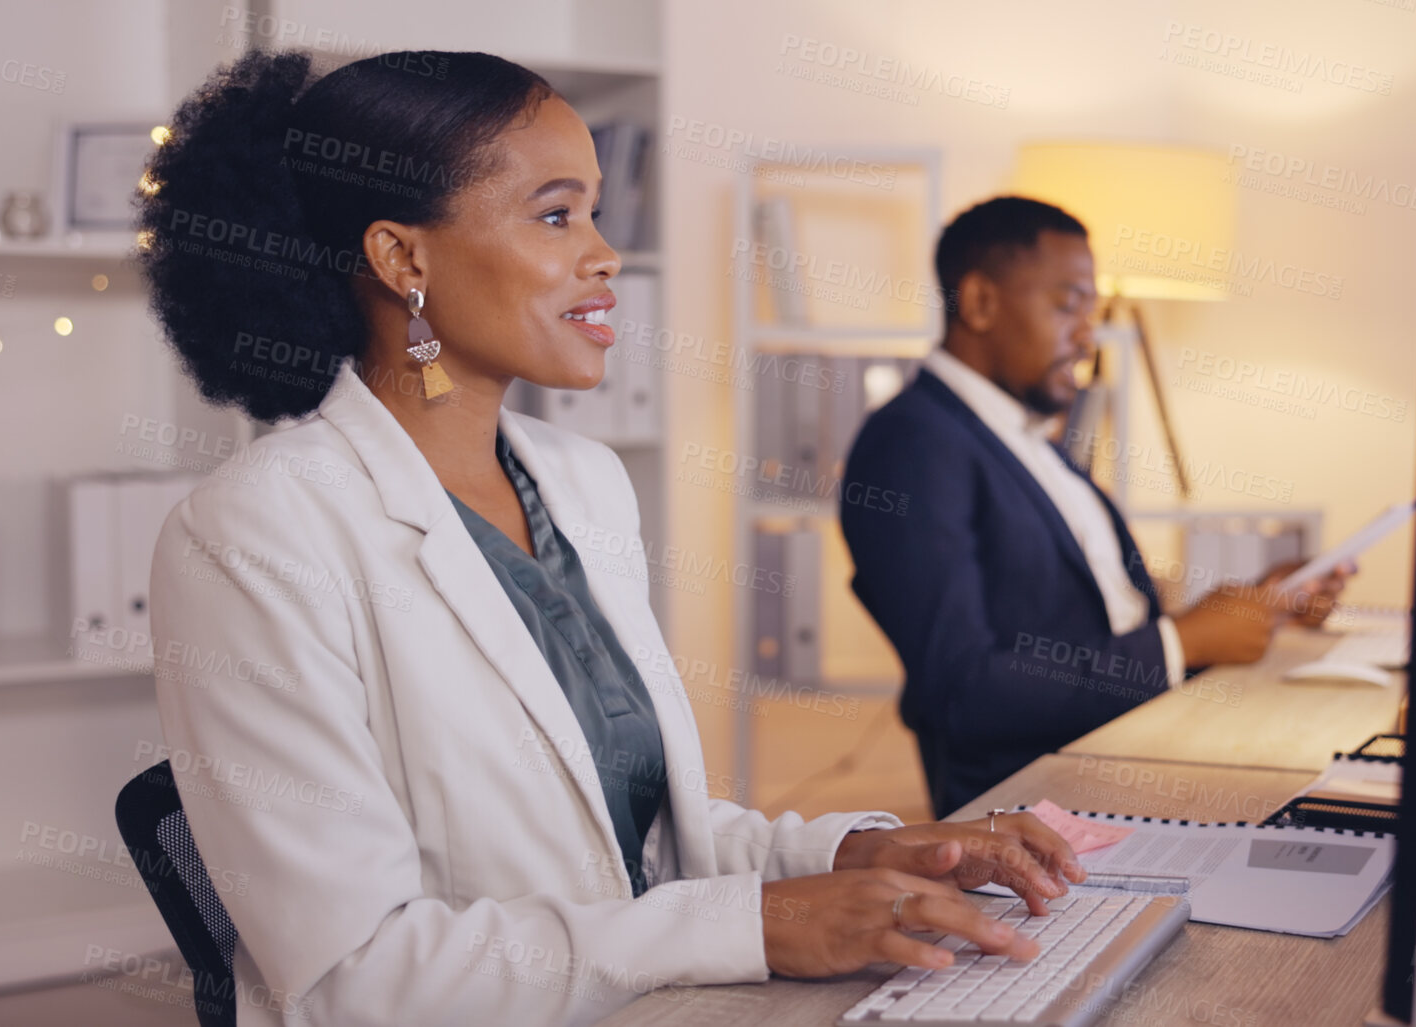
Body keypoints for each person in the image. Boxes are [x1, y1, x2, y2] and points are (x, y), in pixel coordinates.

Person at [139, 52, 1088, 1026]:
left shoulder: (582, 482)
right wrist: (755, 925)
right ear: (402, 260)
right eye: (556, 216)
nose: (603, 256)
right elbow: (360, 975)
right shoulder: (252, 537)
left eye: (595, 211)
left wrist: (873, 851)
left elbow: (645, 842)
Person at [839, 197, 1349, 818]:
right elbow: (962, 690)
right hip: (1041, 809)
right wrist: (1179, 643)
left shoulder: (1019, 437)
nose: (1087, 335)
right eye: (1068, 304)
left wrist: (1258, 607)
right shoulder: (914, 444)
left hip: (1132, 753)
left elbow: (1084, 619)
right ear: (979, 303)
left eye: (1092, 308)